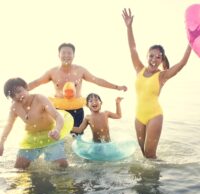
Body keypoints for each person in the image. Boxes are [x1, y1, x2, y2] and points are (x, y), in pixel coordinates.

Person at [122, 8, 191, 158]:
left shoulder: (162, 76)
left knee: (150, 155)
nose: (154, 59)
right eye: (151, 56)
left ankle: (155, 181)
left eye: (158, 57)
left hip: (155, 115)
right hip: (138, 116)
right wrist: (129, 27)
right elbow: (132, 48)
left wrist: (191, 42)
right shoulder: (139, 69)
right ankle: (146, 182)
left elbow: (181, 64)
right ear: (147, 56)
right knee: (143, 155)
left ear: (161, 60)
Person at [28, 43, 127, 134]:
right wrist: (19, 92)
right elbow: (37, 82)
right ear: (59, 55)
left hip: (77, 111)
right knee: (59, 138)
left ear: (73, 56)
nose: (66, 55)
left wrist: (117, 87)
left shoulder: (80, 71)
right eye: (63, 53)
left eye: (69, 53)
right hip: (59, 111)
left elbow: (97, 80)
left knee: (77, 136)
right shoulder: (52, 72)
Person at [0, 78, 71, 169]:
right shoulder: (15, 107)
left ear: (26, 88)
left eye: (19, 91)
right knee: (19, 167)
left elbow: (58, 116)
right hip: (32, 138)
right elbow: (8, 125)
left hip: (50, 134)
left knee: (62, 166)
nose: (17, 96)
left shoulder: (40, 99)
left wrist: (57, 130)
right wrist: (1, 142)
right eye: (13, 95)